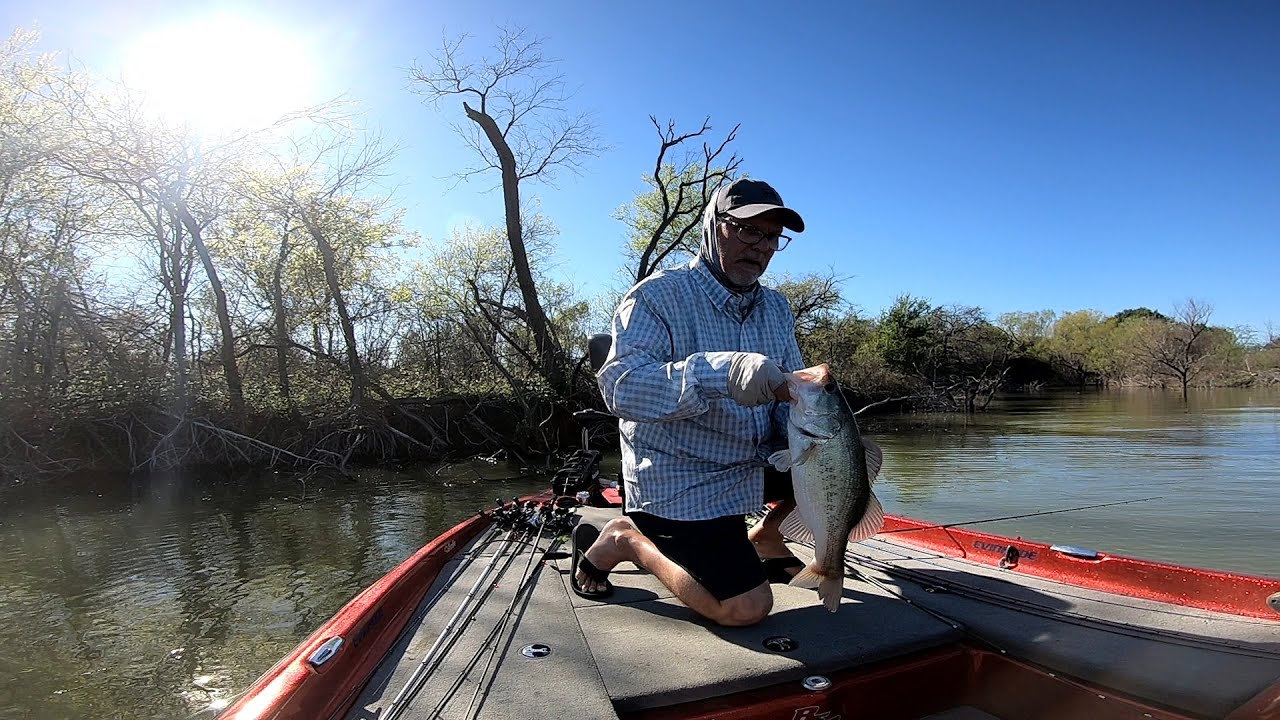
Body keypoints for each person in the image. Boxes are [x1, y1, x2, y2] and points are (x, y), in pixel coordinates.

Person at [572, 177, 807, 627]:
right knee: (745, 609)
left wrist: (810, 426)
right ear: (712, 225)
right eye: (746, 230)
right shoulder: (656, 296)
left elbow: (787, 392)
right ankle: (626, 539)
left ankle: (766, 537)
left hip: (752, 462)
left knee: (852, 464)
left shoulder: (777, 308)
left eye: (773, 236)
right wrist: (719, 373)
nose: (760, 246)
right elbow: (622, 387)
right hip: (682, 480)